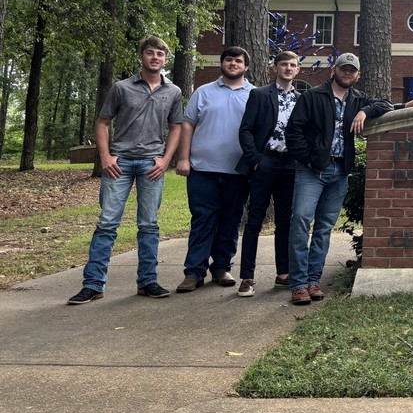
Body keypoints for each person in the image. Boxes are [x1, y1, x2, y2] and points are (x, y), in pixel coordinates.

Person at [67, 36, 183, 305]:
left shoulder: (173, 92)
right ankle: (93, 284)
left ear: (165, 60)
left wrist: (166, 160)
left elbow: (176, 126)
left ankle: (148, 281)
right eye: (150, 53)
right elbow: (103, 122)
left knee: (149, 225)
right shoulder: (121, 88)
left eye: (160, 54)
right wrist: (106, 156)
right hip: (120, 164)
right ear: (142, 56)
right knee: (107, 223)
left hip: (151, 165)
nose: (155, 57)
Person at [284, 53, 391, 305]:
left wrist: (364, 111)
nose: (347, 73)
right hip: (312, 171)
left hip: (340, 171)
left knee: (323, 229)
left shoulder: (358, 99)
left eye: (352, 70)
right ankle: (298, 284)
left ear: (358, 75)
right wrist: (308, 159)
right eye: (344, 68)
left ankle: (313, 281)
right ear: (334, 69)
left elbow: (386, 104)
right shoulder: (312, 96)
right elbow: (293, 131)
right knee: (300, 221)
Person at [174, 46, 253, 292]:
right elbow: (188, 126)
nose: (233, 64)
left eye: (238, 61)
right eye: (228, 60)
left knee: (232, 220)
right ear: (221, 64)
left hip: (239, 171)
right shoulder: (203, 92)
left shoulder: (255, 94)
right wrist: (183, 158)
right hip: (202, 169)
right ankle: (194, 272)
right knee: (202, 219)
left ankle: (222, 268)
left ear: (246, 67)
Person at [235, 51, 301, 297]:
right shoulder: (260, 94)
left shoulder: (301, 99)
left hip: (289, 166)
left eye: (292, 65)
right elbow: (245, 130)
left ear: (297, 70)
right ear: (275, 68)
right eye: (283, 64)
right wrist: (255, 161)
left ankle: (283, 273)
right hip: (265, 162)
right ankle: (247, 277)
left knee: (285, 221)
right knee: (255, 221)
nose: (287, 68)